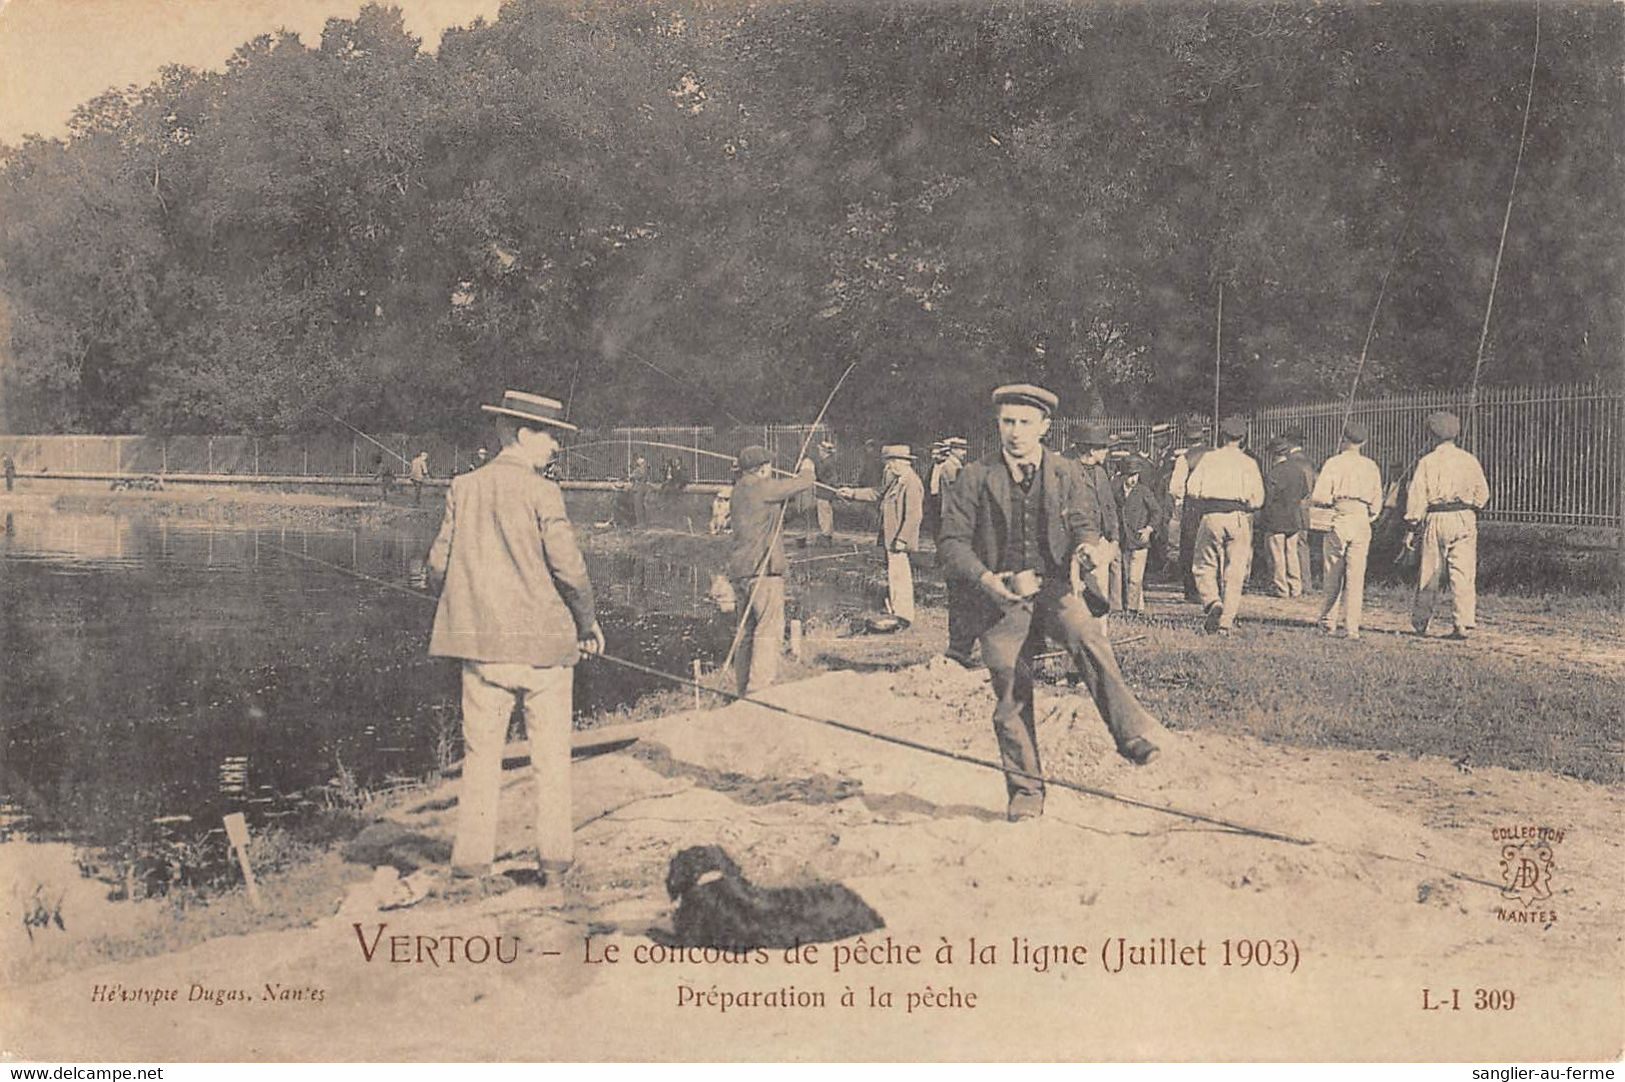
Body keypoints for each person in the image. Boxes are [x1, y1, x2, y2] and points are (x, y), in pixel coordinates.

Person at [938, 383, 1161, 823]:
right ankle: (1025, 793)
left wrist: (1086, 549)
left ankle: (1130, 735)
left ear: (1044, 426)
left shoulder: (1064, 472)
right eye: (1007, 422)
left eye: (1025, 422)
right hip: (1000, 595)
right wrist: (985, 579)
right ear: (998, 425)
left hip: (1056, 586)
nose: (1015, 432)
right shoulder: (975, 476)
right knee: (1007, 683)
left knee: (1087, 636)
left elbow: (1083, 521)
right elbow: (951, 543)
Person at [426, 389, 603, 881]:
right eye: (550, 437)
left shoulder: (463, 487)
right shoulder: (544, 492)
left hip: (481, 650)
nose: (556, 448)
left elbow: (437, 566)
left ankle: (470, 863)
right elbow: (570, 570)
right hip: (544, 651)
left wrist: (456, 598)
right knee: (551, 760)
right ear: (523, 434)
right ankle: (554, 863)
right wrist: (586, 624)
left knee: (481, 760)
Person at [728, 445, 815, 694]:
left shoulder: (739, 490)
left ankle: (743, 688)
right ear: (763, 467)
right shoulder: (761, 486)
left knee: (747, 632)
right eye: (769, 466)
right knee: (768, 629)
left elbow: (772, 518)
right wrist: (807, 469)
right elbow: (803, 483)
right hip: (762, 569)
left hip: (741, 570)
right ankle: (759, 690)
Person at [1404, 411, 1490, 640]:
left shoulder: (1427, 462)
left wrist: (1412, 525)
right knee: (1463, 572)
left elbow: (1417, 496)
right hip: (1464, 516)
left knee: (1431, 570)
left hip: (1437, 517)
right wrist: (1472, 509)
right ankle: (1462, 623)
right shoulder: (1469, 459)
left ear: (1431, 435)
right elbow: (1483, 493)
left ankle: (1421, 622)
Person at [1185, 415, 1265, 634]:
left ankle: (1212, 601)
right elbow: (1258, 499)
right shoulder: (1249, 463)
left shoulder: (1209, 459)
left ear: (1221, 435)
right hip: (1238, 517)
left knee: (1203, 565)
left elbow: (1191, 488)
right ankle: (1226, 621)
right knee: (1235, 570)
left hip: (1212, 515)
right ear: (1243, 438)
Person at [1312, 421, 1384, 640]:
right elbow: (1376, 503)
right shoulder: (1371, 466)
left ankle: (1328, 621)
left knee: (1332, 572)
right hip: (1361, 519)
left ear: (1343, 439)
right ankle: (1352, 627)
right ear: (1364, 442)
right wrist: (1368, 516)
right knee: (1356, 575)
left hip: (1339, 517)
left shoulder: (1333, 463)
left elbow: (1320, 496)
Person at [839, 444, 925, 625]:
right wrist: (852, 492)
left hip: (898, 540)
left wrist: (902, 538)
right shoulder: (896, 479)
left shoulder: (911, 482)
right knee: (895, 574)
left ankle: (904, 615)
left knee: (900, 576)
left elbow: (914, 515)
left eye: (890, 463)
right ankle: (898, 610)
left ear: (900, 462)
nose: (888, 467)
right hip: (890, 538)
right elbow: (877, 493)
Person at [1067, 422, 1121, 609]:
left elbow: (1110, 508)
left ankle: (1098, 635)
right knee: (1073, 594)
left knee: (1099, 594)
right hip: (1075, 543)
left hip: (1100, 541)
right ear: (1091, 450)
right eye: (1103, 447)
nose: (1107, 451)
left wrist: (1114, 539)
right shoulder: (1067, 471)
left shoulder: (1100, 473)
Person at [1260, 436, 1311, 597]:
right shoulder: (1298, 471)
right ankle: (1296, 587)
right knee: (1292, 553)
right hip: (1294, 518)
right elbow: (1304, 492)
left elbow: (1267, 498)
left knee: (1277, 555)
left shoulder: (1273, 473)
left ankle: (1281, 588)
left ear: (1273, 454)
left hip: (1276, 519)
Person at [1167, 421, 1211, 600]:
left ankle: (1192, 590)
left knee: (1190, 547)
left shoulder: (1184, 459)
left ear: (1186, 439)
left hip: (1192, 506)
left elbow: (1175, 489)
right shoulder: (1215, 455)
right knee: (1210, 546)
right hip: (1213, 504)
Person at [1116, 455, 1163, 615]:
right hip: (1123, 539)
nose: (1133, 479)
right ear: (1122, 475)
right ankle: (1135, 605)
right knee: (1126, 575)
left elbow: (1157, 512)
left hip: (1140, 539)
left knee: (1135, 577)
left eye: (1135, 475)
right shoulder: (1116, 490)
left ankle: (1132, 610)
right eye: (1129, 475)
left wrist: (1149, 529)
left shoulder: (1143, 491)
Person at [1282, 427, 1320, 589]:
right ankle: (1306, 583)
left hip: (1291, 507)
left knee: (1289, 546)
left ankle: (1292, 583)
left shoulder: (1291, 461)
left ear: (1288, 442)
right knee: (1302, 545)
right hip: (1305, 508)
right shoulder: (1309, 461)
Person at [811, 439, 841, 544]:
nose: (819, 453)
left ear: (824, 452)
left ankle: (826, 535)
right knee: (826, 514)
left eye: (820, 451)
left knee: (824, 514)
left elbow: (827, 477)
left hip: (824, 492)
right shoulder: (828, 461)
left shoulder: (827, 462)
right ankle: (827, 534)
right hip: (825, 492)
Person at [628, 455, 651, 526]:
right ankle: (642, 522)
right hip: (643, 488)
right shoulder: (645, 470)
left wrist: (631, 475)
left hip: (638, 489)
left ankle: (640, 523)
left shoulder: (639, 470)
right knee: (641, 506)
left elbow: (632, 476)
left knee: (638, 506)